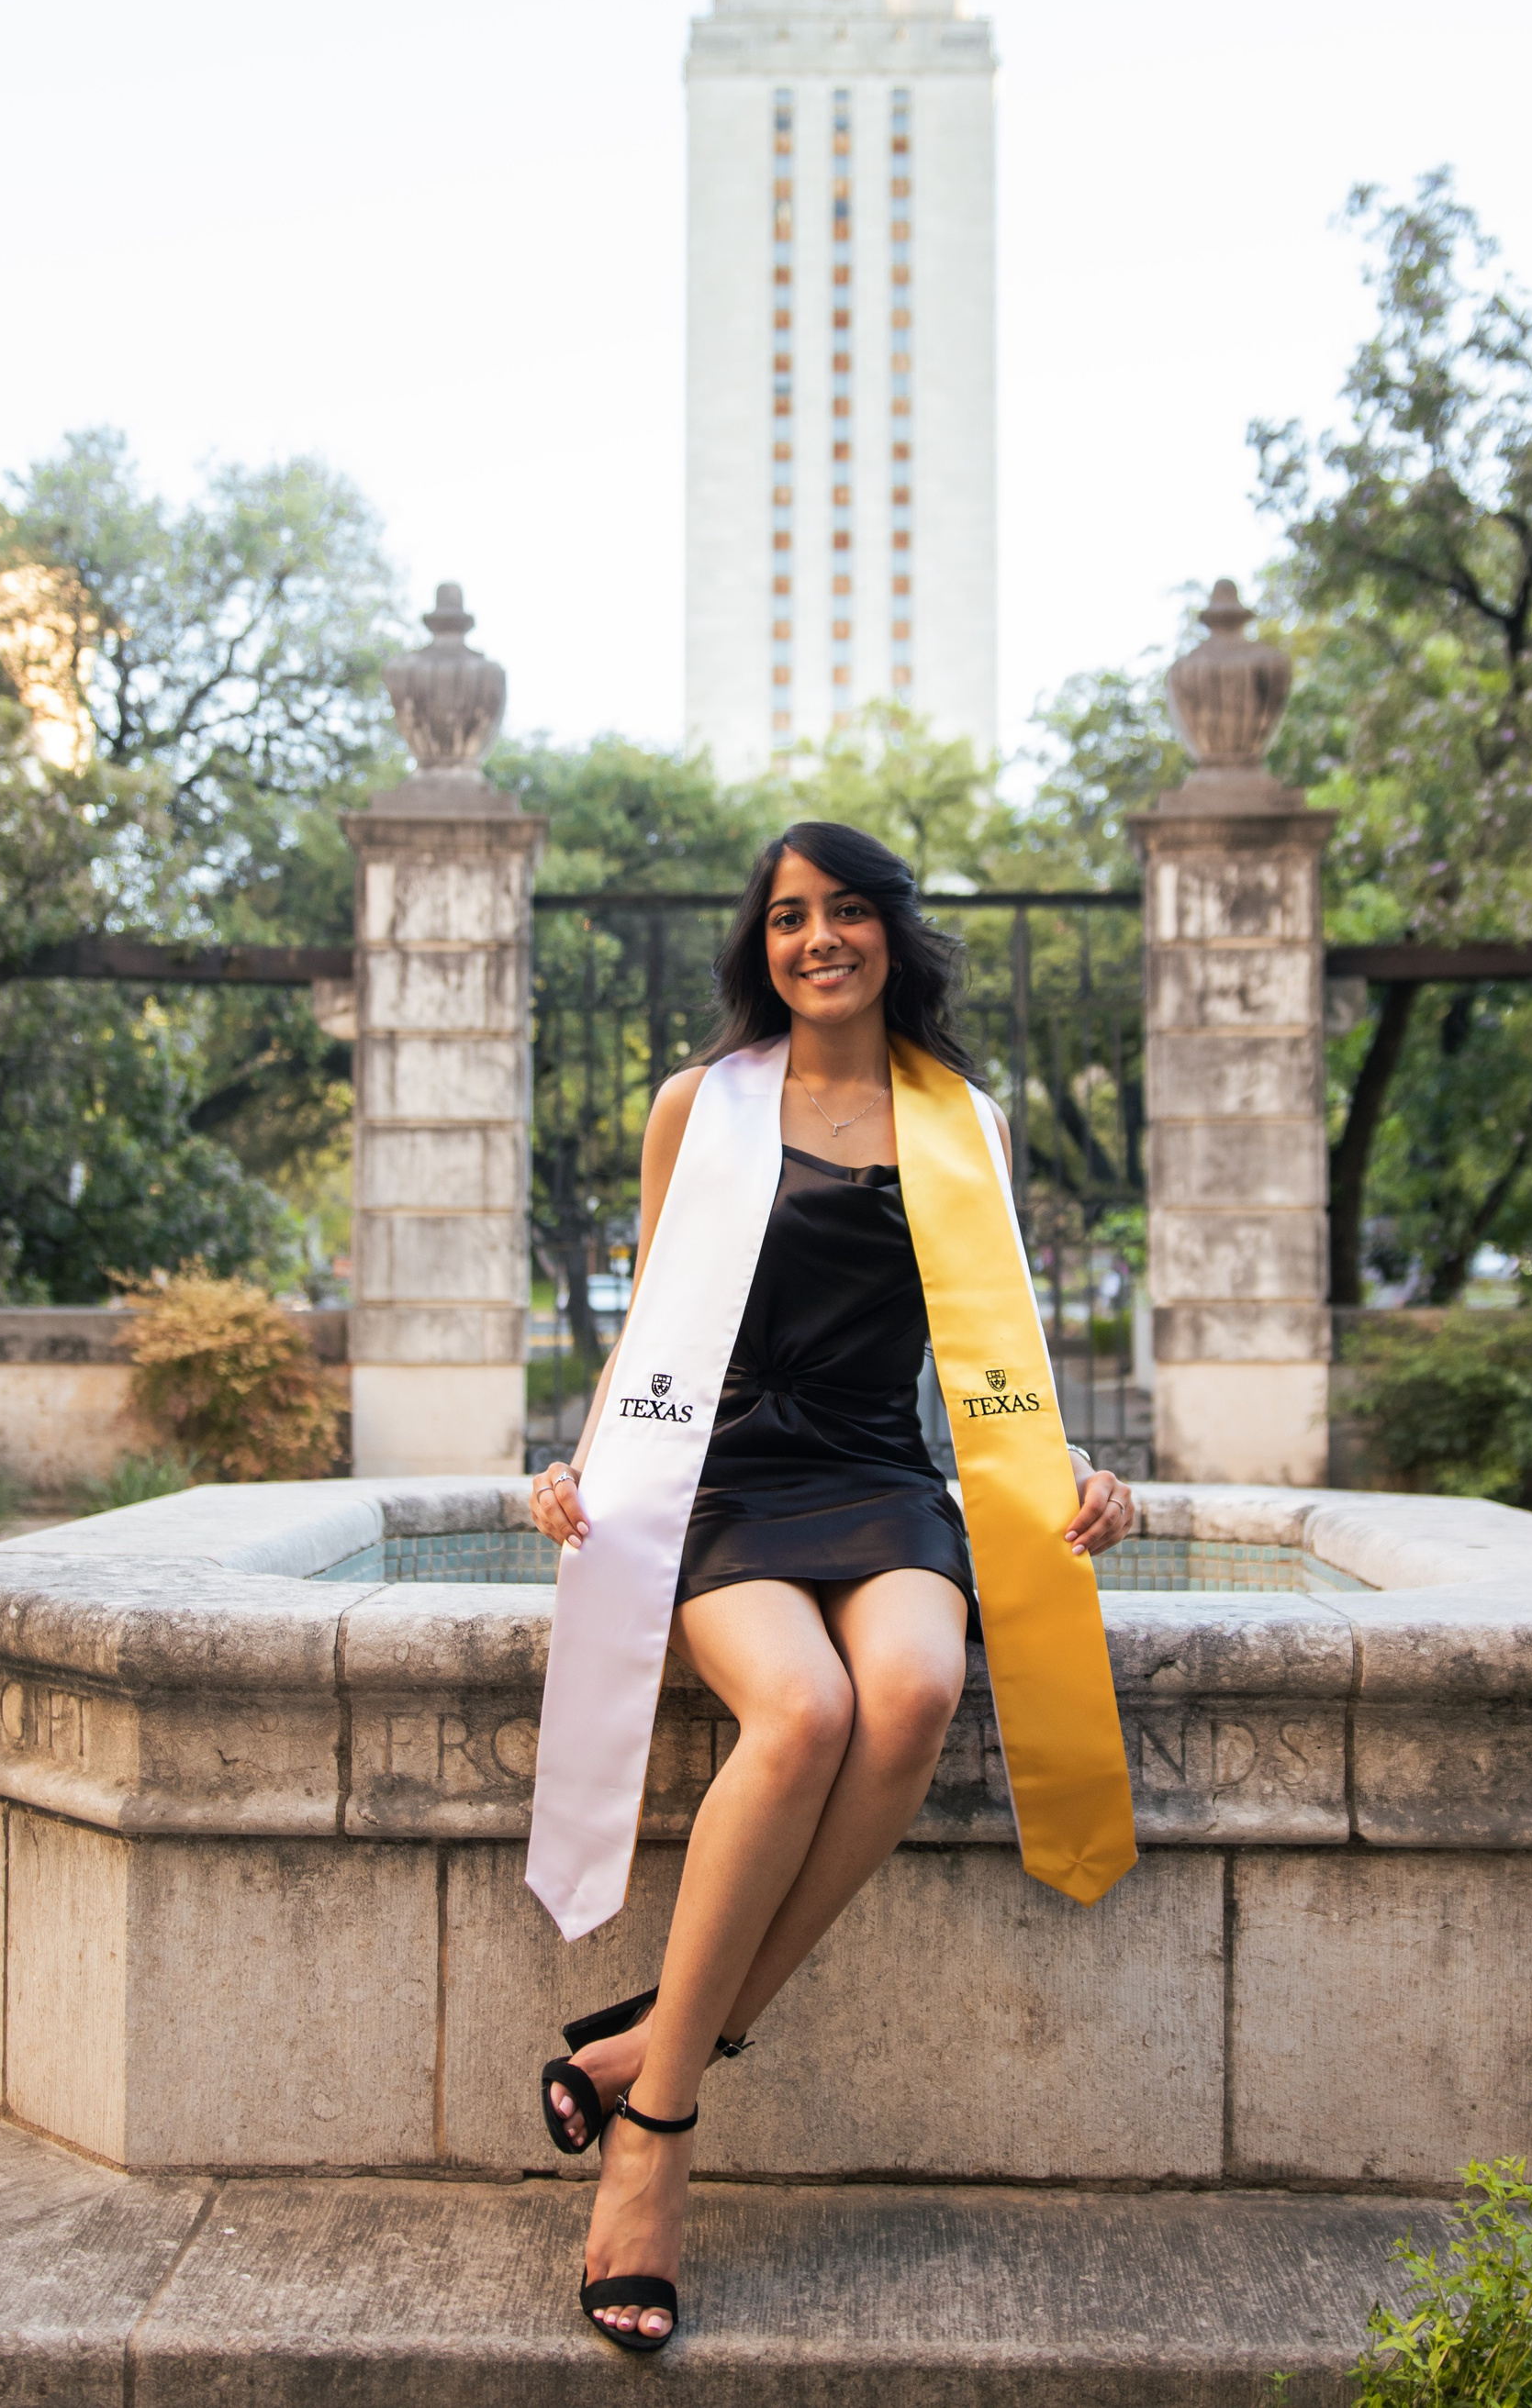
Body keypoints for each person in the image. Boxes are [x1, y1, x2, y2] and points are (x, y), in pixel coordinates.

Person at [529, 822, 1136, 2349]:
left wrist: (1075, 1471)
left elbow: (998, 1346)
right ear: (764, 943)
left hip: (877, 1472)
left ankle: (653, 2044)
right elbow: (648, 1318)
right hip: (722, 1473)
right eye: (791, 915)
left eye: (848, 910)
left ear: (890, 933)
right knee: (801, 1711)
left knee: (916, 1687)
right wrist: (581, 1464)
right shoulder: (702, 1105)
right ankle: (657, 2137)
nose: (819, 938)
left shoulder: (964, 1120)